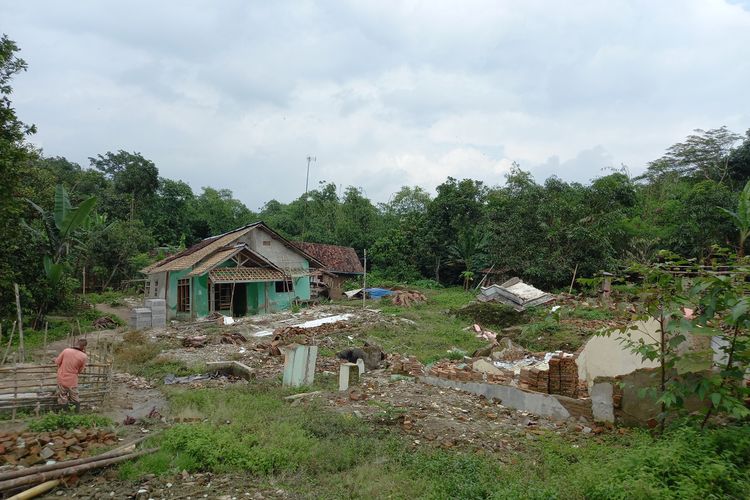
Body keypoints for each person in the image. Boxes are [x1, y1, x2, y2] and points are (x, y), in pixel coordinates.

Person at [55, 339, 88, 412]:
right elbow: (80, 371)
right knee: (75, 397)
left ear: (76, 344)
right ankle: (75, 415)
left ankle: (63, 414)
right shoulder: (83, 356)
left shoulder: (66, 351)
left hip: (62, 378)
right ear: (84, 347)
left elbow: (57, 362)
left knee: (62, 396)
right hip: (72, 380)